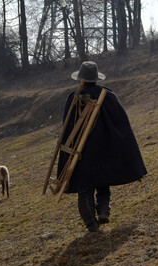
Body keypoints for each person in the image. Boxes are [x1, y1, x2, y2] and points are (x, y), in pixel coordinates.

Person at [57, 61, 147, 232]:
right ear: (95, 78)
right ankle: (104, 210)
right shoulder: (108, 95)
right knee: (103, 181)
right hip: (104, 149)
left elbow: (67, 127)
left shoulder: (74, 97)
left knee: (85, 187)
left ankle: (92, 225)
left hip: (81, 152)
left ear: (80, 79)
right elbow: (121, 124)